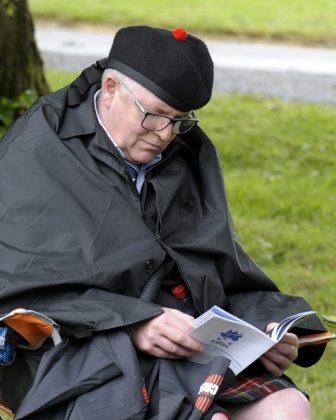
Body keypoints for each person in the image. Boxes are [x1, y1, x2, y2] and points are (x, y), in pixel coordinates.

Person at [0, 25, 327, 419]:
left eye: (179, 120)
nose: (166, 135)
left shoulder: (186, 150)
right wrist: (134, 325)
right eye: (154, 116)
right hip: (78, 354)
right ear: (111, 88)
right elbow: (19, 285)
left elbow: (215, 263)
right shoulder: (39, 148)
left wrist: (265, 331)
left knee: (286, 408)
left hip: (184, 343)